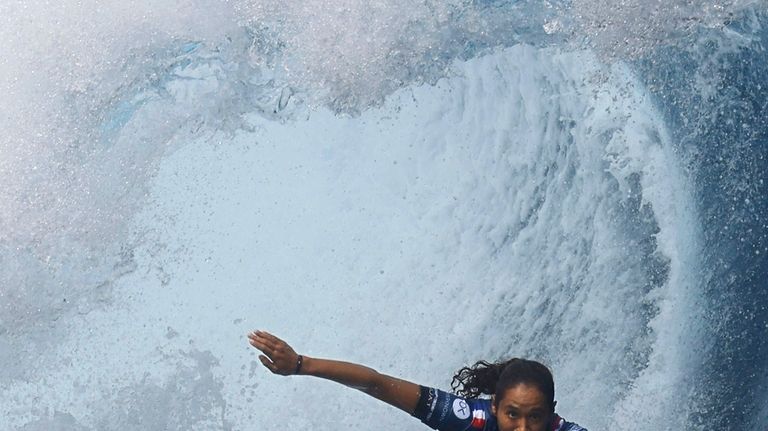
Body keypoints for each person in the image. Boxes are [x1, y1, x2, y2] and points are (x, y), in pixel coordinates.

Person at [248, 330, 587, 431]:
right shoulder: (471, 419)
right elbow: (378, 384)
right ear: (495, 406)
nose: (523, 429)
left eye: (535, 417)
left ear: (552, 414)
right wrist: (301, 365)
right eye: (513, 414)